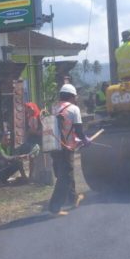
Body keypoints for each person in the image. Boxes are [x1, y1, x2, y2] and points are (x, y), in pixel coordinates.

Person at [49, 83, 91, 216]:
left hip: (54, 147)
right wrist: (85, 139)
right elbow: (78, 131)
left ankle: (72, 199)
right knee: (65, 177)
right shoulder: (74, 109)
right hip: (66, 148)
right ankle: (54, 208)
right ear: (72, 96)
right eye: (75, 96)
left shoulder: (54, 107)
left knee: (66, 173)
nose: (76, 98)